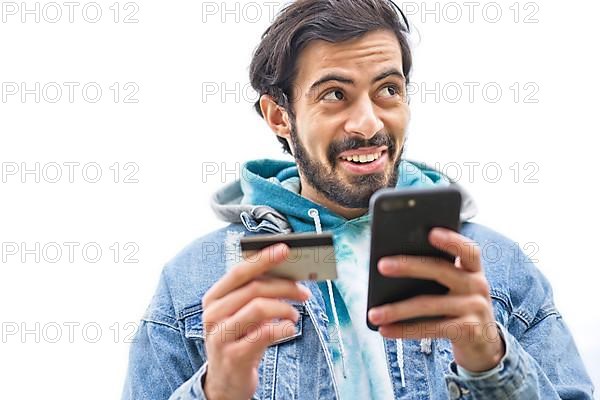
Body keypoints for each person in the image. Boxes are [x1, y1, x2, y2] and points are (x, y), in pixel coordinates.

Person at [121, 0, 594, 399]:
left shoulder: (500, 269)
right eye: (334, 94)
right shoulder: (191, 284)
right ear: (279, 116)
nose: (368, 124)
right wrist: (216, 393)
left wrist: (491, 363)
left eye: (388, 89)